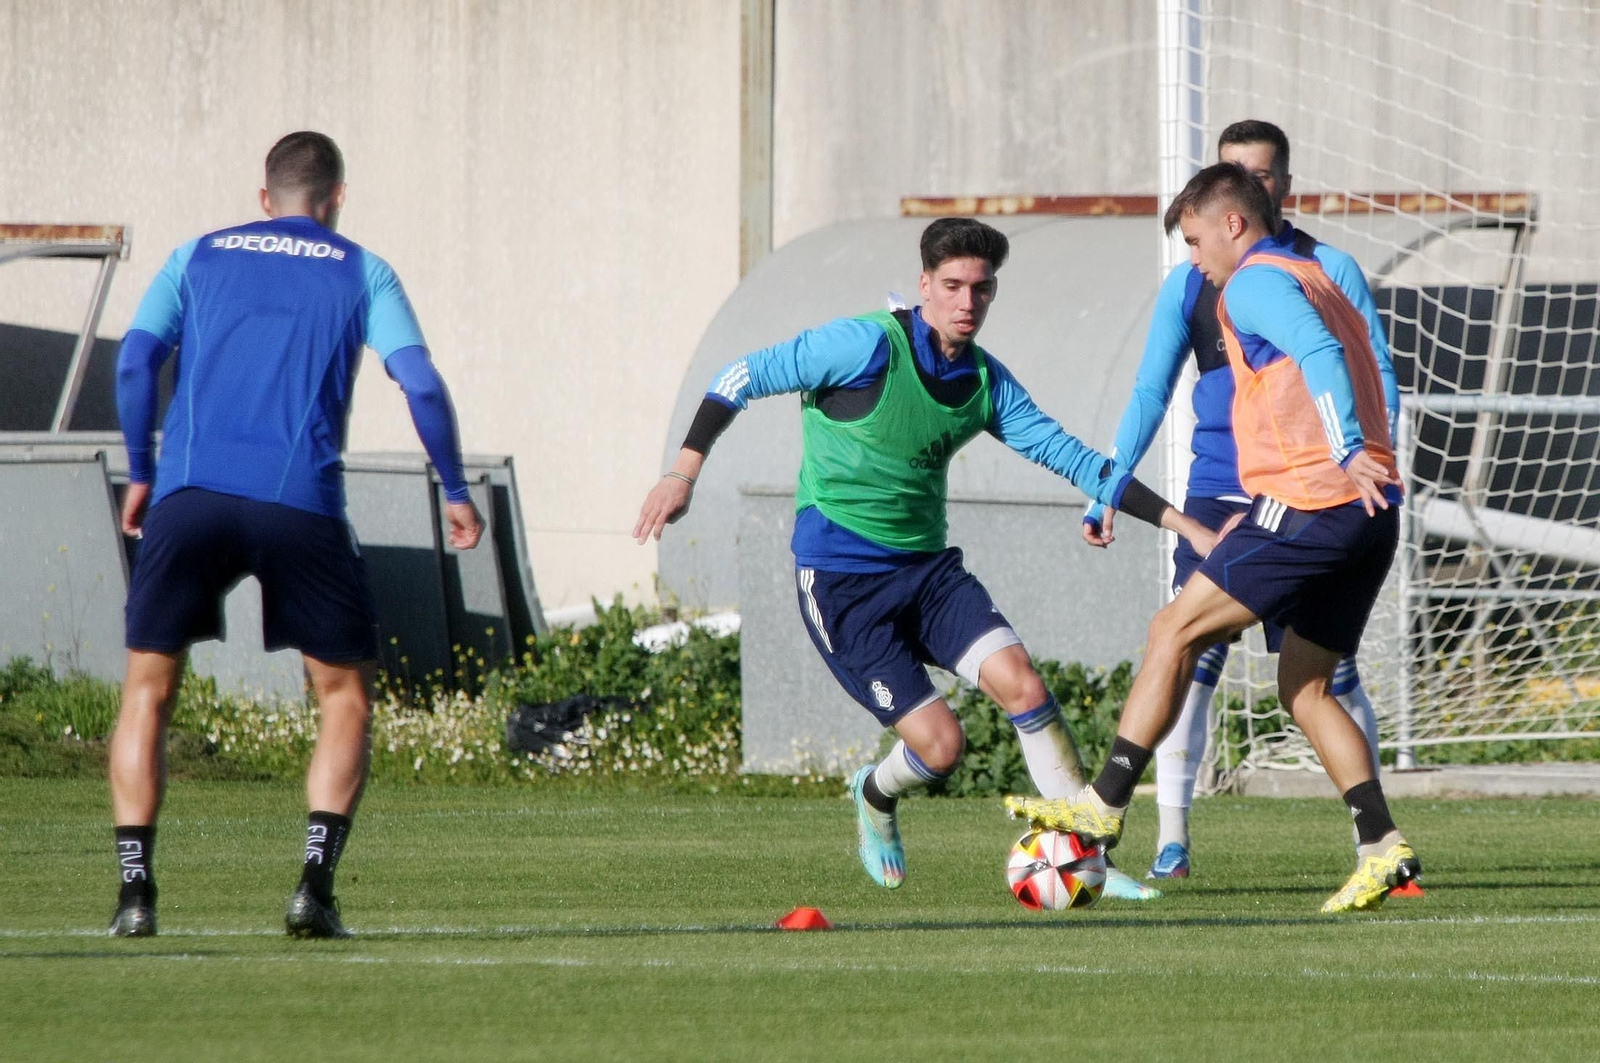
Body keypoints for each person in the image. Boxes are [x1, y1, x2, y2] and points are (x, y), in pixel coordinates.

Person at [634, 217, 1215, 900]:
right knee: (942, 748)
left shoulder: (985, 383)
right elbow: (738, 376)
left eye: (982, 288)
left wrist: (1186, 526)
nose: (967, 301)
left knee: (1024, 685)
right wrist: (682, 472)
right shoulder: (862, 345)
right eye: (953, 286)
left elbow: (1074, 457)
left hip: (928, 574)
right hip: (843, 583)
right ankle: (875, 794)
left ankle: (1087, 856)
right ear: (923, 286)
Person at [1007, 163, 1422, 913]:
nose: (1193, 260)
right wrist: (1364, 456)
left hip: (1309, 501)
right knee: (1305, 686)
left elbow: (1323, 359)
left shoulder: (1256, 281)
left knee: (1173, 629)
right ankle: (1380, 843)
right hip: (1372, 511)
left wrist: (1344, 446)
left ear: (1233, 223)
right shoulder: (1317, 271)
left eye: (1196, 240)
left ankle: (1103, 804)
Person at [108, 131, 483, 939]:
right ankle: (314, 884)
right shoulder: (362, 269)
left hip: (189, 494)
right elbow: (418, 380)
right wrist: (454, 488)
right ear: (337, 197)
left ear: (263, 196)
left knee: (148, 689)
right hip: (298, 502)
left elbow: (136, 361)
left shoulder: (194, 256)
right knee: (343, 695)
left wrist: (141, 467)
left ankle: (135, 895)